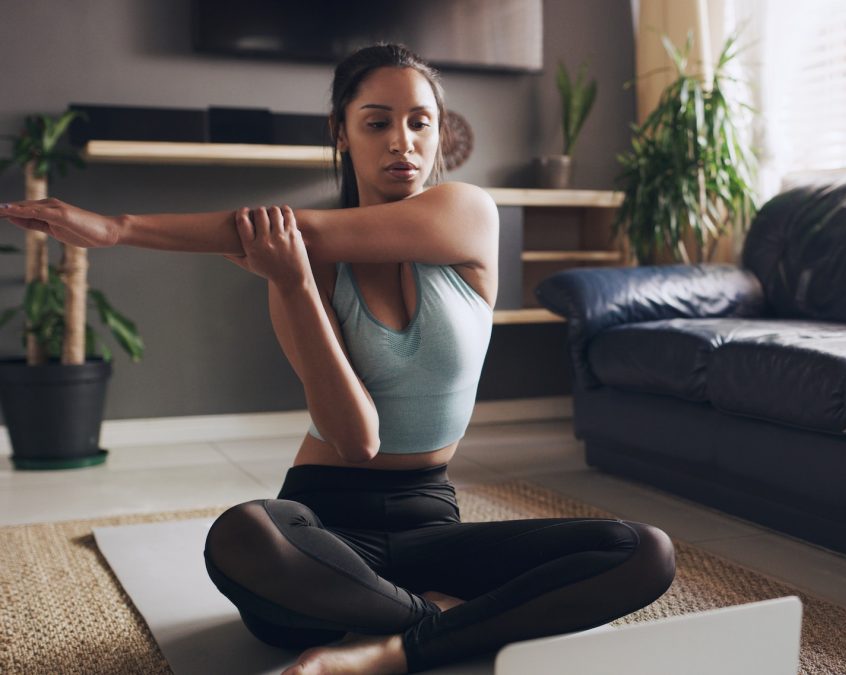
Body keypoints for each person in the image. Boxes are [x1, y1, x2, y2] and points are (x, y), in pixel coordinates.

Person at [0, 43, 676, 674]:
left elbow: (294, 225)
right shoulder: (304, 263)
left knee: (644, 550)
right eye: (377, 122)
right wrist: (293, 284)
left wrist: (117, 228)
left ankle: (387, 652)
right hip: (323, 534)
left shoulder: (467, 215)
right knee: (243, 535)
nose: (402, 143)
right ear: (340, 131)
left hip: (431, 526)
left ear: (441, 133)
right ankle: (433, 620)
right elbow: (355, 438)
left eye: (420, 122)